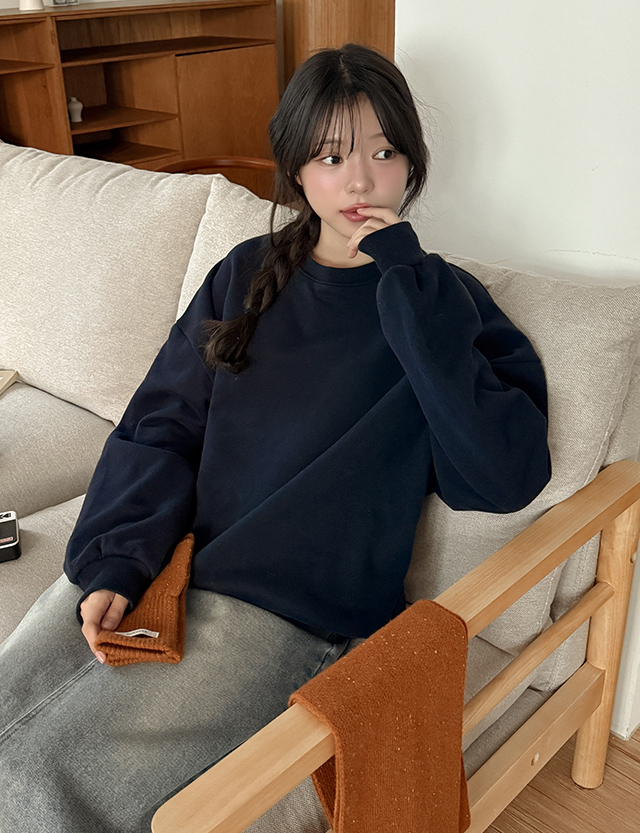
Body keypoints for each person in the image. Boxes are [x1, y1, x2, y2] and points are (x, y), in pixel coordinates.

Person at [0, 43, 551, 833]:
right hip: (167, 559)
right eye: (331, 157)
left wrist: (407, 283)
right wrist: (117, 557)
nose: (359, 182)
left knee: (37, 775)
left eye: (383, 152)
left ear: (411, 163)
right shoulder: (245, 272)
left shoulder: (445, 302)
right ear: (296, 168)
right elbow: (160, 424)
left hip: (287, 611)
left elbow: (502, 476)